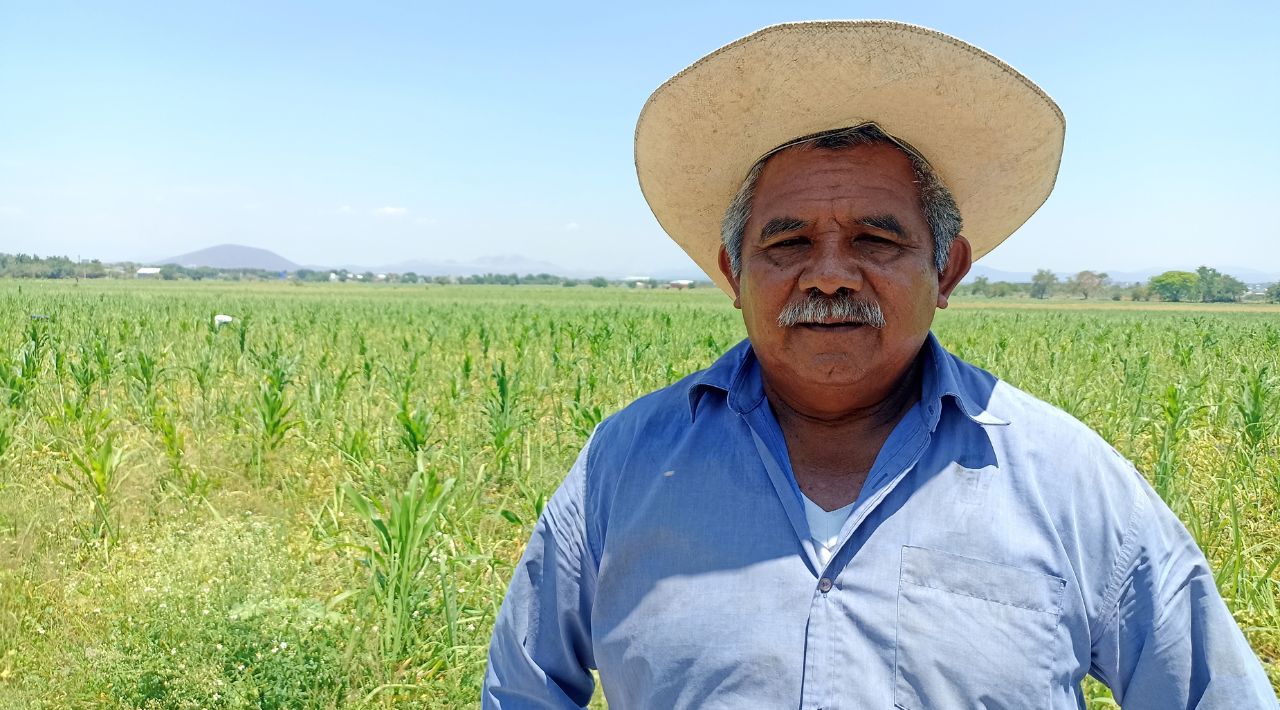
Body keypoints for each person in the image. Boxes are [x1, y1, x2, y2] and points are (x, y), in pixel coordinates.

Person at [483, 21, 1278, 708]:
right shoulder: (623, 467)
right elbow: (522, 689)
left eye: (875, 239)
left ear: (948, 269)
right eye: (788, 242)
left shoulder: (1071, 482)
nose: (829, 273)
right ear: (733, 275)